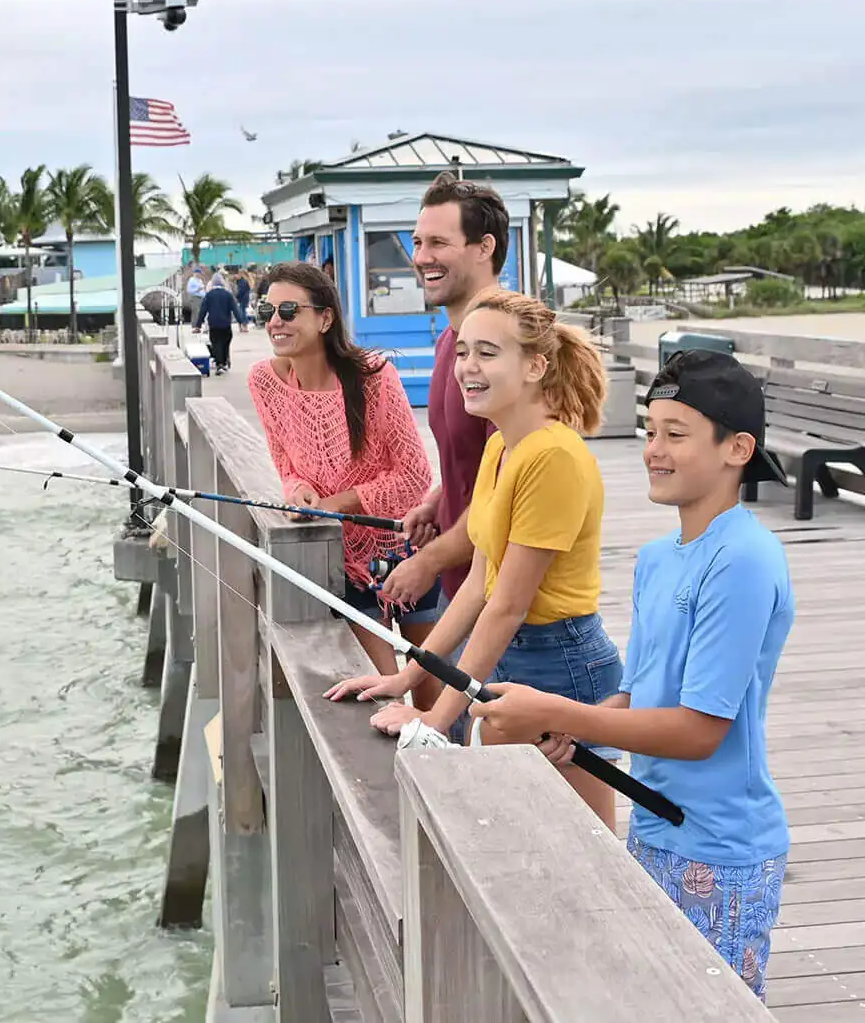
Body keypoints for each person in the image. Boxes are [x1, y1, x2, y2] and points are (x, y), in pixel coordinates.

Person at [469, 350, 795, 1000]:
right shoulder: (657, 558)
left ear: (738, 448)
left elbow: (702, 729)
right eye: (650, 431)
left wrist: (558, 713)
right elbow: (639, 695)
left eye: (676, 435)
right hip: (654, 831)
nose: (654, 450)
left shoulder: (744, 559)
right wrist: (576, 737)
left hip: (721, 848)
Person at [326, 289, 623, 824]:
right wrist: (407, 677)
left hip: (562, 663)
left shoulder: (552, 455)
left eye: (488, 352)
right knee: (519, 836)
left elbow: (507, 604)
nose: (467, 367)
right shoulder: (502, 445)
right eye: (462, 352)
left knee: (588, 847)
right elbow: (476, 584)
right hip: (508, 654)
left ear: (536, 365)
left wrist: (437, 722)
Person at [247, 262, 434, 676]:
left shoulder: (374, 376)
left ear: (325, 317)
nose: (275, 322)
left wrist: (339, 501)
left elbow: (415, 475)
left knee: (434, 696)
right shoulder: (263, 381)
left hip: (409, 549)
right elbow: (286, 466)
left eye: (289, 311)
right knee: (385, 692)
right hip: (341, 560)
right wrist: (297, 492)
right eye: (267, 311)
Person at [373, 174, 509, 693]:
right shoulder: (453, 339)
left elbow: (512, 492)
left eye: (438, 243)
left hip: (507, 608)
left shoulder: (503, 347)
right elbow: (478, 459)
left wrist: (427, 560)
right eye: (417, 242)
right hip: (464, 586)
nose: (421, 256)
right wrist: (438, 498)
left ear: (484, 248)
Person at [194, 271, 245, 374]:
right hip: (226, 324)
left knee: (216, 343)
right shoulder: (228, 295)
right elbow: (235, 309)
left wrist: (198, 325)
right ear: (222, 283)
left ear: (213, 283)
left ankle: (219, 364)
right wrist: (241, 322)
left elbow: (202, 311)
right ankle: (224, 362)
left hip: (213, 324)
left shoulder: (208, 295)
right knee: (225, 343)